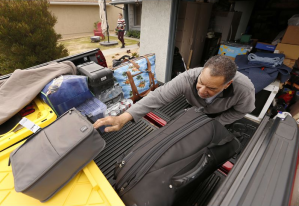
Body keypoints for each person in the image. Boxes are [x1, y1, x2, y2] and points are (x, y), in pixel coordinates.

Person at [94, 55, 255, 132]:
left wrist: (217, 123)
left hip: (221, 115)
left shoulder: (245, 89)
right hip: (194, 109)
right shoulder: (188, 77)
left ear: (228, 84)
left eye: (212, 89)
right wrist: (123, 117)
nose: (202, 91)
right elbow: (158, 96)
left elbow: (242, 110)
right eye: (200, 83)